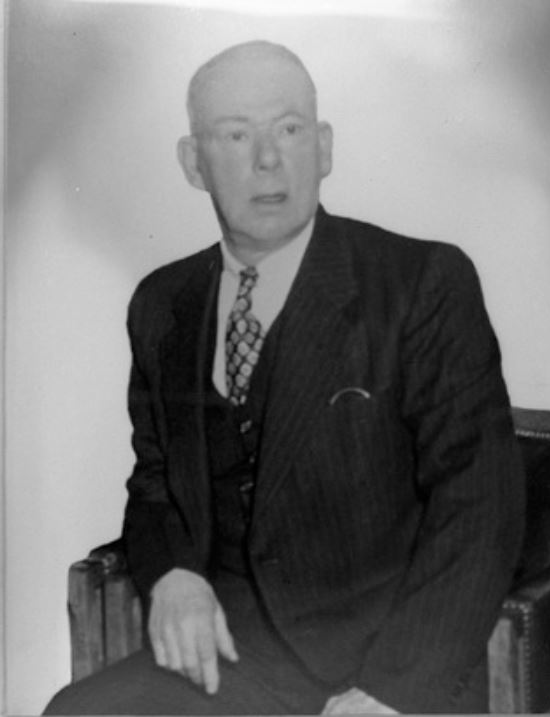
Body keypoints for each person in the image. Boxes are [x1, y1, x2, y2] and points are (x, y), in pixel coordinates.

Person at [45, 40, 525, 715]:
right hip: (229, 660)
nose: (268, 159)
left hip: (388, 662)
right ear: (193, 162)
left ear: (323, 148)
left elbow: (479, 504)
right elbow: (154, 483)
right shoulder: (162, 303)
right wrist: (173, 574)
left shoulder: (421, 282)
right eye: (236, 134)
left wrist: (393, 688)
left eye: (290, 129)